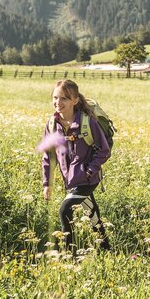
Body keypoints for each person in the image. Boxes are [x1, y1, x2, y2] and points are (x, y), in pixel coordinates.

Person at [41, 79, 111, 251]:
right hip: (70, 180)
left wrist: (89, 171)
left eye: (64, 98)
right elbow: (49, 155)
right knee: (92, 214)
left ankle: (69, 252)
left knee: (65, 209)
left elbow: (104, 150)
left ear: (75, 100)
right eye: (55, 98)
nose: (58, 102)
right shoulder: (52, 124)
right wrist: (47, 183)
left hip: (88, 179)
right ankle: (106, 248)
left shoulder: (88, 123)